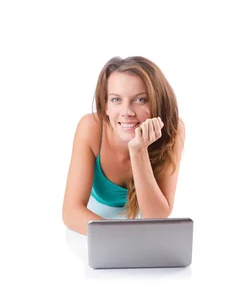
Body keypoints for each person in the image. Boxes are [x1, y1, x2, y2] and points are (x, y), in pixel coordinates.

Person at [62, 56, 185, 235]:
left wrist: (138, 151)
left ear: (158, 102)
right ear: (105, 106)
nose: (127, 112)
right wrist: (119, 237)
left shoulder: (174, 128)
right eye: (116, 100)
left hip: (138, 233)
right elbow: (71, 212)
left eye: (141, 100)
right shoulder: (91, 127)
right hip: (93, 221)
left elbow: (156, 216)